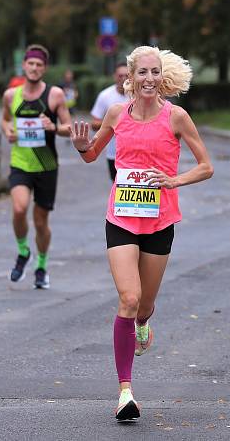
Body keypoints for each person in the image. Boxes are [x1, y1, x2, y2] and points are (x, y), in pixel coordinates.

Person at [70, 46, 213, 421]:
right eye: (142, 73)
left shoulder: (177, 117)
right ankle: (125, 391)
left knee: (144, 306)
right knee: (128, 298)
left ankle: (145, 322)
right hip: (120, 216)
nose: (148, 79)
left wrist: (174, 180)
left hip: (160, 220)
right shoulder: (117, 113)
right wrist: (82, 146)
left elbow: (206, 167)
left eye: (155, 72)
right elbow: (91, 154)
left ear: (161, 77)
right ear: (129, 78)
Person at [2, 44, 72, 290]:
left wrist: (52, 127)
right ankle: (23, 252)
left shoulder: (55, 95)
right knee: (19, 208)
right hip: (20, 162)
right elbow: (5, 120)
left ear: (45, 68)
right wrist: (8, 131)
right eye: (30, 63)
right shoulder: (11, 95)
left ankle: (41, 264)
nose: (34, 68)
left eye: (39, 64)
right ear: (24, 65)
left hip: (46, 165)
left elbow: (69, 127)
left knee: (41, 221)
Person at [90, 62, 129, 181]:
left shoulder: (138, 95)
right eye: (120, 75)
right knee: (118, 188)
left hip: (136, 151)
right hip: (114, 152)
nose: (123, 79)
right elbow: (94, 124)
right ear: (114, 76)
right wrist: (113, 123)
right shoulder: (105, 96)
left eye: (126, 76)